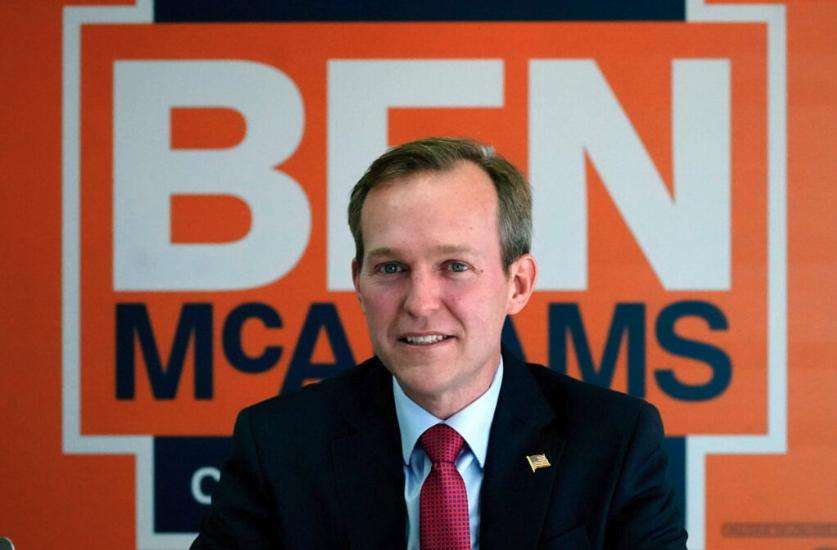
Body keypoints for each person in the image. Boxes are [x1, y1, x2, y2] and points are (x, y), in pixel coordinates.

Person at [192, 137, 687, 549]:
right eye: (391, 269)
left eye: (455, 266)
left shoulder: (613, 441)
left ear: (517, 285)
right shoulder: (280, 445)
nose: (420, 303)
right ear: (358, 283)